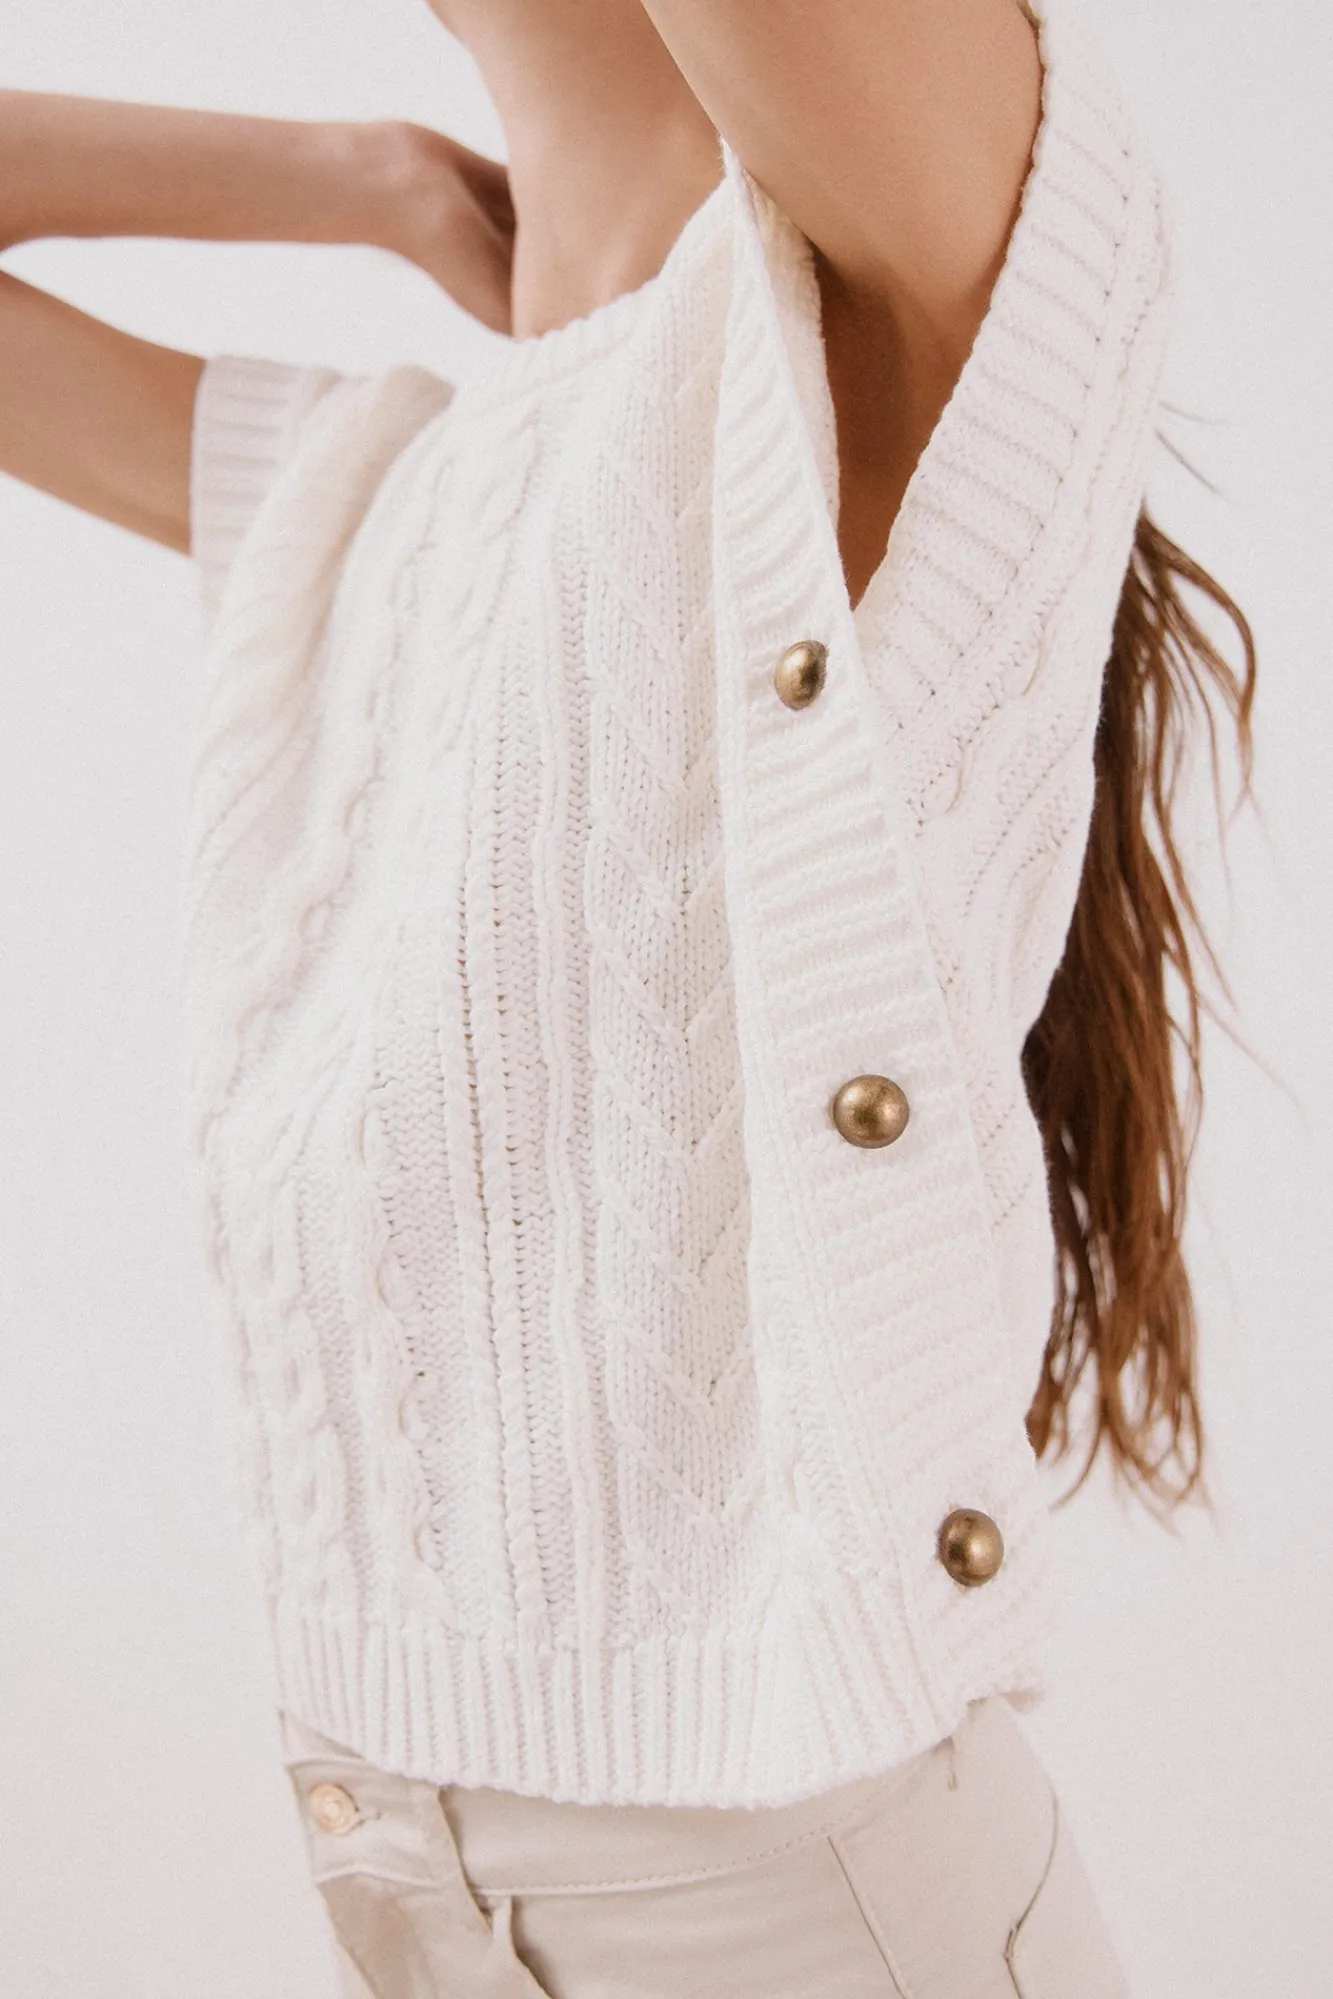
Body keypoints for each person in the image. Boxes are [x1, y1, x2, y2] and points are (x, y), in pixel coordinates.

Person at [0, 0, 1257, 1992]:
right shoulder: (371, 502)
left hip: (806, 1915)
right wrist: (366, 179)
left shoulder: (926, 290)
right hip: (417, 1891)